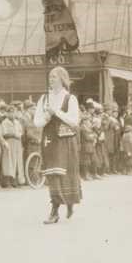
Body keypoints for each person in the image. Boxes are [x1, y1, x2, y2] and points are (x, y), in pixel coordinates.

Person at [34, 66, 82, 224]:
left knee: (65, 174)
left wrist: (57, 112)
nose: (51, 79)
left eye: (54, 76)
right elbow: (37, 122)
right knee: (52, 174)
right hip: (49, 140)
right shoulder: (44, 98)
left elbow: (74, 121)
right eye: (50, 76)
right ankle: (54, 211)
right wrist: (47, 117)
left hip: (66, 140)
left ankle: (68, 202)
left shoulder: (70, 98)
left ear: (62, 79)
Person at [1, 104, 26, 187]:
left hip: (17, 143)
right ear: (7, 113)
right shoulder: (4, 122)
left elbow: (21, 132)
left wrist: (18, 135)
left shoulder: (17, 122)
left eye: (13, 112)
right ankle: (7, 181)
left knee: (17, 161)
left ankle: (15, 180)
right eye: (10, 112)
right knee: (8, 161)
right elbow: (4, 133)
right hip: (9, 142)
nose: (12, 114)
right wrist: (13, 134)